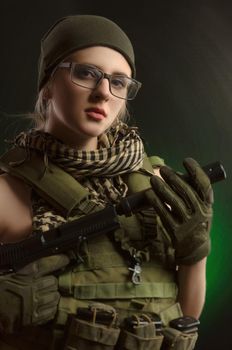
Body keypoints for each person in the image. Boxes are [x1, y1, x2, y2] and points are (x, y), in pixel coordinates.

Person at [0, 15, 213, 350]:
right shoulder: (8, 191)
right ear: (48, 84)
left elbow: (184, 317)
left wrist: (195, 255)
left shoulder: (155, 184)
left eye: (118, 82)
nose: (103, 93)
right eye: (86, 73)